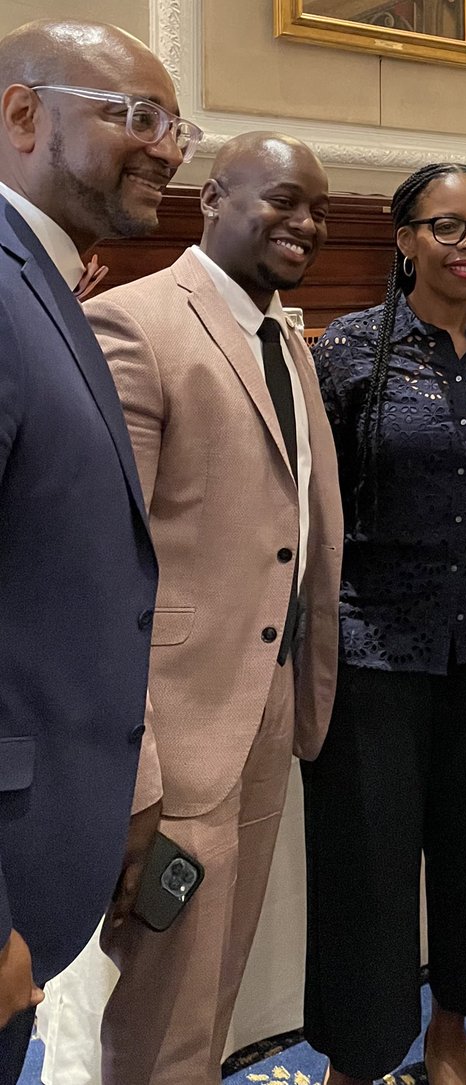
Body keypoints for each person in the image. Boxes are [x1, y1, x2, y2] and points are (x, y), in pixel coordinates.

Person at [84, 132, 343, 1085]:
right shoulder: (135, 324)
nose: (306, 223)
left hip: (267, 704)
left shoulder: (283, 334)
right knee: (161, 1007)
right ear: (211, 198)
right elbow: (105, 572)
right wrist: (139, 764)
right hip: (175, 723)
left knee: (215, 986)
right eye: (281, 199)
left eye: (319, 209)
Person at [306, 163, 466, 1085]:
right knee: (365, 862)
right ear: (404, 238)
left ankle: (453, 1026)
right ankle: (358, 1053)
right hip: (374, 644)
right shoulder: (350, 350)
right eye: (450, 227)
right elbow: (312, 506)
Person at [0, 19, 193, 1080]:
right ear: (23, 113)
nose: (167, 147)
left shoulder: (49, 278)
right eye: (136, 116)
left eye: (176, 125)